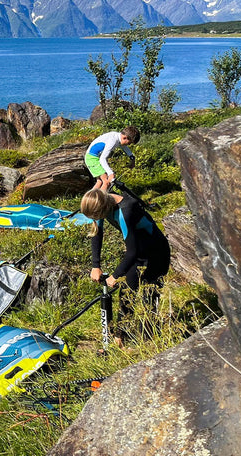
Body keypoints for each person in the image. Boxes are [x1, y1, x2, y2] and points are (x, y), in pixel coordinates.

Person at [80, 188, 170, 344]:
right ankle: (119, 338)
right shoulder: (102, 200)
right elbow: (96, 232)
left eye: (95, 216)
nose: (94, 220)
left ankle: (149, 344)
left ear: (103, 209)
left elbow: (132, 252)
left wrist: (116, 275)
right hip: (139, 254)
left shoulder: (125, 211)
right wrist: (95, 265)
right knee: (126, 294)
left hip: (156, 255)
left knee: (147, 299)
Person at [84, 126, 140, 191]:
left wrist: (132, 157)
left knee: (100, 182)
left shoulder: (117, 137)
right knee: (106, 182)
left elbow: (124, 147)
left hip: (93, 158)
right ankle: (99, 200)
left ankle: (89, 200)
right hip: (92, 159)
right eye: (129, 143)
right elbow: (102, 159)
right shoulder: (113, 141)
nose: (128, 145)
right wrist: (110, 173)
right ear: (125, 137)